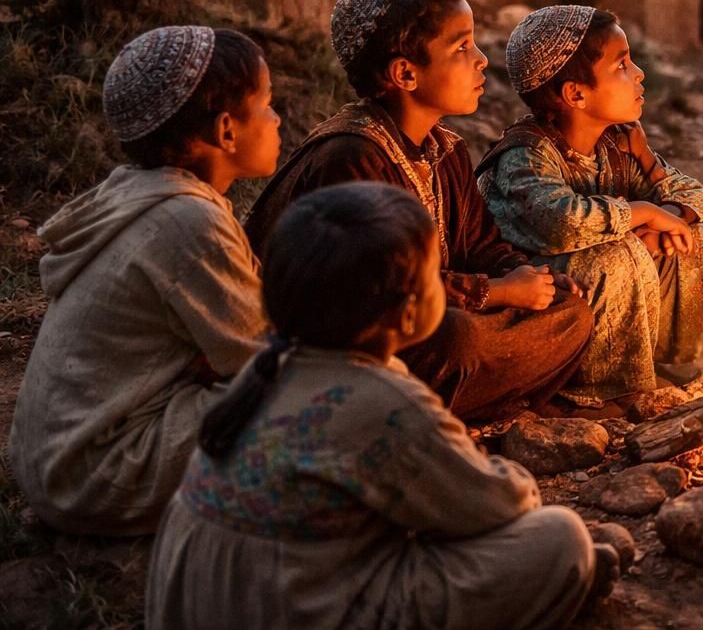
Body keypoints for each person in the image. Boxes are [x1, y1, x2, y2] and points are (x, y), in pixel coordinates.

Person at [147, 182, 612, 629]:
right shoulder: (386, 402)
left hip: (202, 602)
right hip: (296, 609)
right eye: (434, 275)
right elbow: (498, 504)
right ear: (408, 310)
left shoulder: (266, 370)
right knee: (560, 536)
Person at [244, 0, 593, 424]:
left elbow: (479, 246)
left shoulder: (445, 149)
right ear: (405, 72)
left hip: (434, 318)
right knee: (456, 338)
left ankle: (464, 407)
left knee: (572, 313)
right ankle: (425, 417)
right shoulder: (351, 156)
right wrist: (501, 292)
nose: (482, 60)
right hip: (345, 346)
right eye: (462, 47)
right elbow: (378, 292)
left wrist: (527, 275)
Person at [9, 26, 278, 534]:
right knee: (317, 398)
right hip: (97, 475)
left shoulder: (140, 192)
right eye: (267, 104)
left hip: (56, 463)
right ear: (226, 130)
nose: (277, 118)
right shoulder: (187, 220)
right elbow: (258, 358)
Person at [478, 6, 703, 405]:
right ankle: (603, 392)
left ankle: (694, 368)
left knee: (696, 240)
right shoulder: (525, 157)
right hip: (541, 305)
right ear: (576, 94)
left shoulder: (613, 146)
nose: (639, 73)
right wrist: (647, 214)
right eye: (622, 65)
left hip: (615, 277)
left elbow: (693, 196)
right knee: (614, 258)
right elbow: (562, 222)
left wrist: (650, 167)